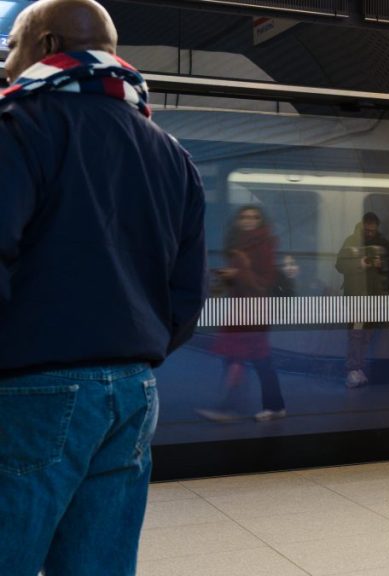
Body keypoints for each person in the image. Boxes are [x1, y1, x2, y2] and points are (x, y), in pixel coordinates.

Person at [0, 1, 207, 573]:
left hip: (30, 388)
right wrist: (133, 350)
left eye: (11, 46)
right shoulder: (171, 154)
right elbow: (187, 293)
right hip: (134, 391)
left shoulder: (18, 126)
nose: (6, 63)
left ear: (44, 46)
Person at [198, 205, 287, 423]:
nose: (249, 220)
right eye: (244, 216)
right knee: (245, 358)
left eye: (254, 217)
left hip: (254, 309)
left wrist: (240, 271)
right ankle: (272, 406)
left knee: (251, 358)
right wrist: (229, 276)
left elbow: (264, 282)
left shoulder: (264, 245)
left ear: (260, 220)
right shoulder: (239, 243)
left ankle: (234, 408)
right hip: (240, 308)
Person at [335, 212, 389, 388]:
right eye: (367, 230)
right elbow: (339, 265)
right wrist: (359, 264)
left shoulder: (383, 244)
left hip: (374, 298)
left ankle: (358, 368)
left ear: (377, 228)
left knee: (367, 334)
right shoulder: (351, 242)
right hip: (356, 297)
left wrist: (381, 265)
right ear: (362, 226)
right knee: (356, 333)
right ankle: (352, 369)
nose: (370, 233)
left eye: (372, 230)